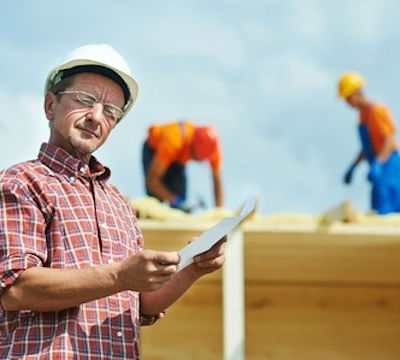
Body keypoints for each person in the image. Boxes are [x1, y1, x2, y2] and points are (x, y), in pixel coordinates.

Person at [0, 44, 225, 359]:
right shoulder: (20, 183)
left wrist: (192, 268)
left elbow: (142, 303)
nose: (96, 117)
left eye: (110, 112)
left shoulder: (119, 203)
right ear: (50, 105)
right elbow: (16, 289)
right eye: (85, 100)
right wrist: (120, 275)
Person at [338, 71, 400, 214]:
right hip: (378, 168)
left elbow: (389, 138)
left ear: (358, 93)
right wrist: (353, 167)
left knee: (391, 210)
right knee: (378, 210)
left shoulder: (376, 110)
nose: (347, 103)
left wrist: (379, 163)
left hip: (390, 166)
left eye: (348, 98)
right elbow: (366, 148)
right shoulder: (362, 117)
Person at [142, 121, 223, 212]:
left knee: (182, 209)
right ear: (191, 146)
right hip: (155, 151)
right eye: (194, 157)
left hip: (178, 158)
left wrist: (218, 213)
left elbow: (216, 182)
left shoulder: (212, 150)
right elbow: (152, 182)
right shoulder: (172, 143)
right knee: (155, 203)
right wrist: (176, 201)